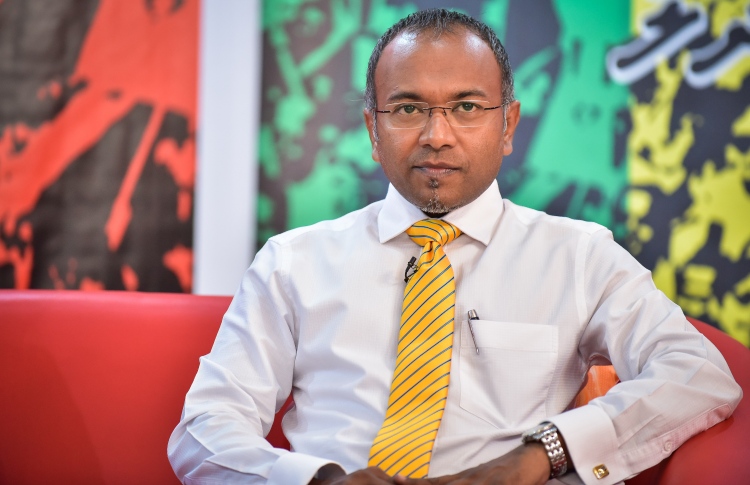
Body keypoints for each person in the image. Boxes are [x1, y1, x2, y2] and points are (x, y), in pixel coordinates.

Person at [168, 9, 742, 485]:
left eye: (466, 107)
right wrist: (320, 481)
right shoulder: (292, 262)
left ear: (508, 125)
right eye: (408, 108)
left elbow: (697, 373)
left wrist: (539, 455)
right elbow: (205, 427)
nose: (436, 135)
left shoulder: (579, 256)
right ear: (372, 130)